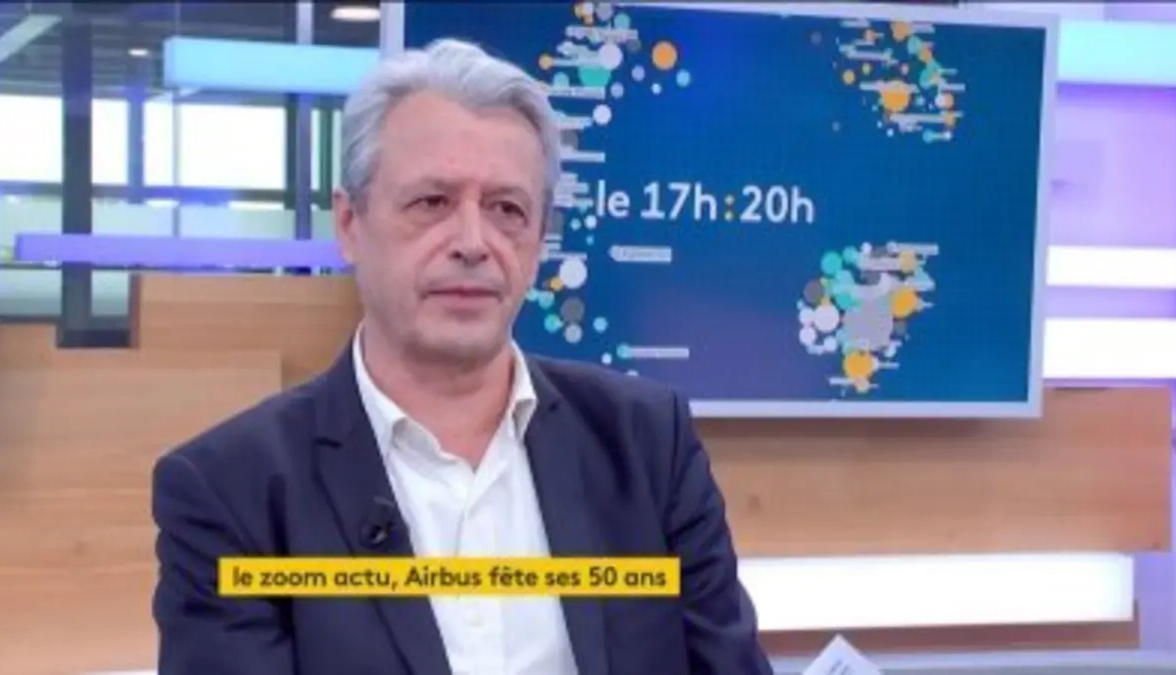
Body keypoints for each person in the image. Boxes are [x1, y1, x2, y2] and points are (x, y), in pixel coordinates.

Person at [151, 38, 772, 675]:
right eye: (432, 203)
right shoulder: (232, 490)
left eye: (507, 209)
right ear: (349, 223)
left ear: (539, 239)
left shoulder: (646, 445)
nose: (473, 242)